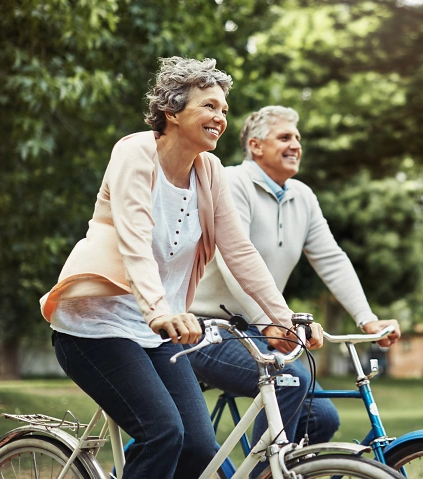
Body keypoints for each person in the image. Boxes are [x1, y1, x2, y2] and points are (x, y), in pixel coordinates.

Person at [39, 59, 323, 479]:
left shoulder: (209, 172)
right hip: (96, 326)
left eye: (224, 110)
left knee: (200, 447)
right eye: (210, 106)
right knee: (162, 433)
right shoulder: (134, 152)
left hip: (160, 333)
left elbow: (240, 252)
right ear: (172, 112)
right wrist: (158, 309)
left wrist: (282, 319)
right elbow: (134, 237)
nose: (220, 118)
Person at [188, 105, 401, 476]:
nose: (295, 145)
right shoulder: (232, 183)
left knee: (322, 417)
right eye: (285, 137)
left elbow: (332, 260)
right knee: (292, 380)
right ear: (255, 145)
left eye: (297, 139)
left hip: (258, 330)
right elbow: (232, 258)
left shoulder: (302, 196)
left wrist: (367, 319)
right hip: (205, 329)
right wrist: (269, 320)